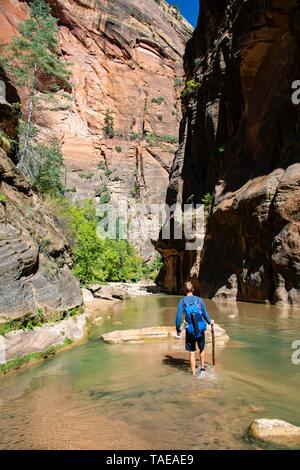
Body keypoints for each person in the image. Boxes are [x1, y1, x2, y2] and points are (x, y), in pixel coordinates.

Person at [175, 281, 214, 377]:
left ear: (184, 290)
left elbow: (179, 317)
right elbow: (204, 313)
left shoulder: (182, 301)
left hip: (190, 330)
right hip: (200, 329)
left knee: (192, 351)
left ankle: (193, 374)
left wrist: (178, 329)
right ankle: (202, 368)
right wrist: (210, 322)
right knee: (202, 348)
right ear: (193, 289)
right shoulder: (199, 300)